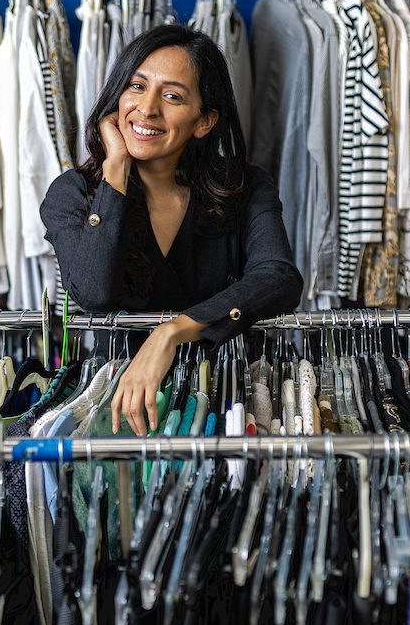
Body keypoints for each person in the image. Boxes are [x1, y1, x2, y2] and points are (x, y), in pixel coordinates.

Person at [41, 25, 303, 436]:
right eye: (136, 86)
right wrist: (115, 172)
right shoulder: (73, 194)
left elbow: (279, 278)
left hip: (219, 400)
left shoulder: (245, 187)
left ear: (205, 120)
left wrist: (172, 332)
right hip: (116, 407)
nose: (147, 108)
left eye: (172, 96)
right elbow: (93, 292)